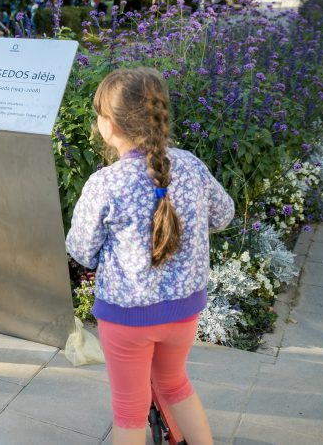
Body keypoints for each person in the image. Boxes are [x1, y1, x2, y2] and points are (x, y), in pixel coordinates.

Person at [65, 67, 233, 445]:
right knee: (176, 385)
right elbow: (223, 215)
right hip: (184, 311)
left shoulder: (106, 183)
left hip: (127, 319)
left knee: (129, 409)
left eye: (99, 114)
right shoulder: (190, 165)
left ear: (109, 125)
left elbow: (81, 250)